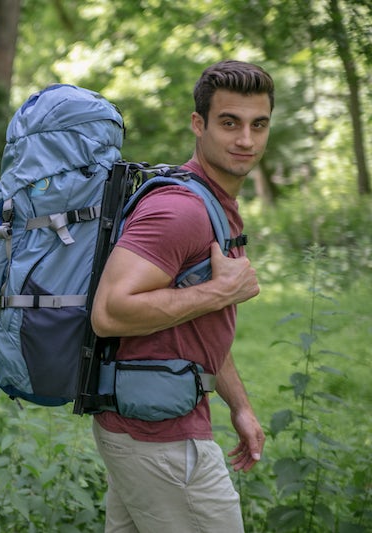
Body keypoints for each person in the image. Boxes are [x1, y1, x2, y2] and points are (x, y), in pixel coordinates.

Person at [89, 60, 274, 532]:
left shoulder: (215, 204)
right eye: (229, 123)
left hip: (147, 432)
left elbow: (198, 326)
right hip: (161, 441)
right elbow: (109, 313)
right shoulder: (180, 210)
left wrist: (239, 405)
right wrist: (219, 291)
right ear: (199, 124)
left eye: (259, 125)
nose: (246, 140)